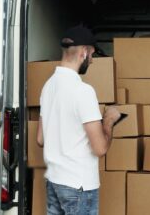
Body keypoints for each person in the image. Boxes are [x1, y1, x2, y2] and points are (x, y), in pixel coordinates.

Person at [36, 25, 121, 215]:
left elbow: (40, 139)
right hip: (78, 186)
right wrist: (109, 120)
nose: (91, 61)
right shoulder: (83, 91)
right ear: (84, 52)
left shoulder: (48, 86)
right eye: (91, 55)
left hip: (55, 182)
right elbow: (100, 148)